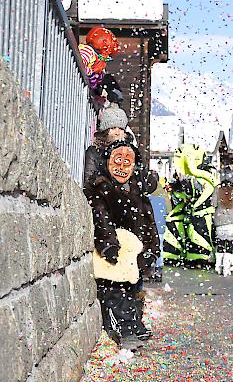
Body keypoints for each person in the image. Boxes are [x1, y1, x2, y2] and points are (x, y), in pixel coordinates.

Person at [84, 140, 160, 351]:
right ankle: (124, 328)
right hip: (115, 250)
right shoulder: (102, 188)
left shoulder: (137, 188)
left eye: (128, 162)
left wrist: (151, 248)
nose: (122, 167)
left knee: (133, 289)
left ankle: (133, 322)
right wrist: (108, 244)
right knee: (115, 290)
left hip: (134, 251)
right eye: (118, 161)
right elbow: (101, 218)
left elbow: (148, 220)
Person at [84, 104, 130, 186]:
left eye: (121, 129)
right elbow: (89, 181)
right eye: (113, 128)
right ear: (105, 131)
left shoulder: (130, 153)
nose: (117, 132)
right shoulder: (95, 152)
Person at [212, 167, 233, 276]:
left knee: (220, 243)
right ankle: (227, 267)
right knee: (229, 244)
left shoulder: (217, 189)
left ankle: (218, 266)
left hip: (220, 219)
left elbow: (213, 204)